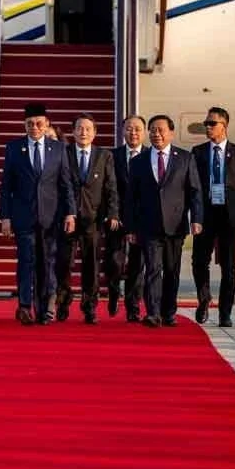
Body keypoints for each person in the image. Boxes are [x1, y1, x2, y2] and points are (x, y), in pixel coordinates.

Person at [0, 102, 76, 325]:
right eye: (30, 123)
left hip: (51, 218)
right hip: (23, 216)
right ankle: (24, 306)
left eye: (38, 123)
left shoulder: (58, 149)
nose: (34, 127)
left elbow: (66, 184)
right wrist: (5, 216)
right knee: (26, 261)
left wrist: (70, 213)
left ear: (46, 125)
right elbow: (6, 186)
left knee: (47, 263)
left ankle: (45, 308)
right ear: (24, 125)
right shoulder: (14, 148)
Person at [126, 114, 203, 327]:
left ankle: (168, 312)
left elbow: (195, 191)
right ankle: (153, 313)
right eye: (152, 130)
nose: (156, 134)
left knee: (171, 270)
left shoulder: (185, 158)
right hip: (148, 225)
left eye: (160, 130)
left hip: (175, 224)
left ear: (171, 132)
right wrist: (131, 227)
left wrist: (196, 219)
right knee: (152, 269)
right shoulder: (138, 161)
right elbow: (132, 197)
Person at [58, 113, 119, 324]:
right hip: (67, 217)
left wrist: (113, 213)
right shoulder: (63, 153)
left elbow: (111, 187)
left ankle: (90, 306)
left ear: (94, 133)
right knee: (64, 263)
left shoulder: (104, 156)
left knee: (91, 265)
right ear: (72, 131)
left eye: (87, 129)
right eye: (79, 128)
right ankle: (64, 302)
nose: (83, 132)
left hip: (93, 219)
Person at [191, 107, 235, 327]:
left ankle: (225, 311)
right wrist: (193, 216)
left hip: (229, 216)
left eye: (212, 123)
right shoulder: (198, 152)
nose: (208, 127)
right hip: (205, 215)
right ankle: (204, 299)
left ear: (224, 126)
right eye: (206, 123)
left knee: (228, 266)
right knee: (199, 262)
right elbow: (193, 187)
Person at [105, 116, 146, 321]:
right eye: (129, 129)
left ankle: (133, 307)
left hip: (140, 220)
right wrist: (113, 213)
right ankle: (113, 293)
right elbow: (109, 188)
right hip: (117, 218)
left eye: (137, 129)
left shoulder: (149, 155)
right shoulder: (112, 156)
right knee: (114, 261)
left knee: (137, 265)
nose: (133, 133)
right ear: (122, 131)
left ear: (144, 132)